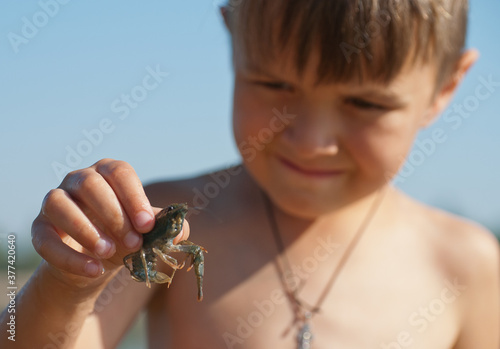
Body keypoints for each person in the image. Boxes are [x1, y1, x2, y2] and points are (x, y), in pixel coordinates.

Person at [2, 0, 499, 348]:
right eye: (274, 83)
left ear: (446, 87)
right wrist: (69, 282)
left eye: (365, 102)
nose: (310, 141)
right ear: (232, 38)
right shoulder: (150, 220)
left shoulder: (469, 266)